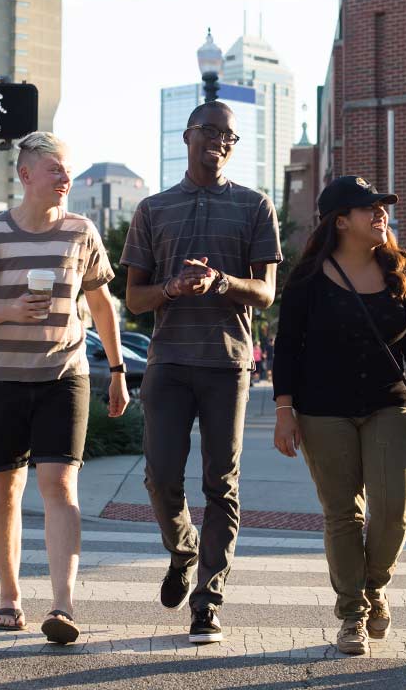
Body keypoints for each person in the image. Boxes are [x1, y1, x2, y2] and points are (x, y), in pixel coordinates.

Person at [0, 132, 129, 644]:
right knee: (5, 490)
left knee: (60, 486)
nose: (65, 177)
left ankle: (63, 607)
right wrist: (6, 310)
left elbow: (100, 306)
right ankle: (9, 597)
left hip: (62, 376)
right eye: (55, 169)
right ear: (26, 176)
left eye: (67, 169)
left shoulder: (81, 232)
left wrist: (117, 371)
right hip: (0, 378)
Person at [121, 100, 281, 643]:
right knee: (160, 477)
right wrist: (171, 288)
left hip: (227, 362)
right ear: (187, 135)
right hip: (167, 362)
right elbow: (134, 299)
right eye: (209, 131)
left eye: (228, 137)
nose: (218, 141)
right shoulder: (152, 209)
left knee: (221, 484)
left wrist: (222, 283)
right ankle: (182, 547)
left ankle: (208, 600)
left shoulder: (255, 206)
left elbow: (265, 292)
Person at [272, 175, 406, 656]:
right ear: (341, 220)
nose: (381, 214)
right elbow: (287, 349)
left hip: (391, 404)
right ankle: (352, 612)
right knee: (342, 513)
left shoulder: (402, 275)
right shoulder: (308, 280)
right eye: (369, 208)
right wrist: (284, 411)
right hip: (322, 409)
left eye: (382, 207)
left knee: (393, 510)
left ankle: (374, 586)